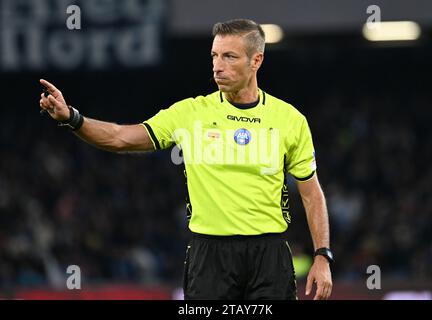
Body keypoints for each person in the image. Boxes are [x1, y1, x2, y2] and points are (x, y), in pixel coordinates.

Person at [38, 19, 333, 300]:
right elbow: (120, 137)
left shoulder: (289, 120)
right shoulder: (190, 114)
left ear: (256, 61)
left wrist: (322, 255)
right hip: (210, 256)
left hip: (269, 255)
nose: (218, 66)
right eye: (214, 56)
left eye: (229, 56)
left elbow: (311, 194)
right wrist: (72, 118)